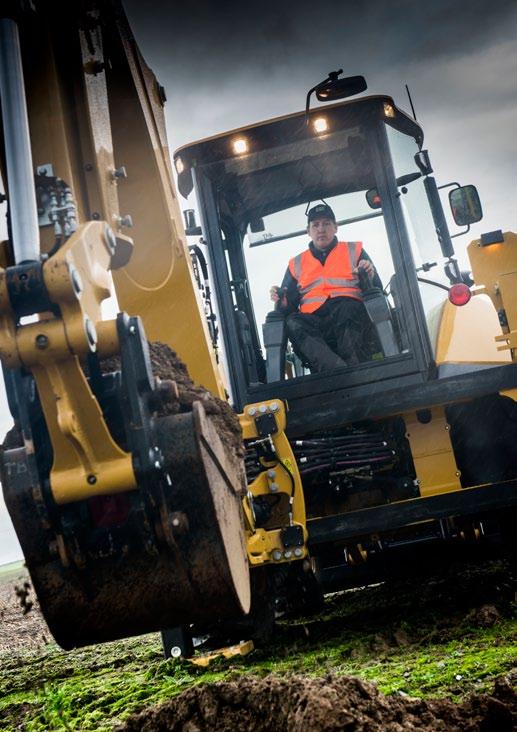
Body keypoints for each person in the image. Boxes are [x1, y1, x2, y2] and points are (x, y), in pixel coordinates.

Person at [270, 203, 381, 372]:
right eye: (315, 225)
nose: (321, 229)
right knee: (293, 322)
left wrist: (368, 275)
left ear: (336, 227)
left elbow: (377, 290)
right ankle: (339, 371)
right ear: (308, 231)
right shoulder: (296, 264)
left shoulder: (355, 251)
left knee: (347, 307)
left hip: (349, 316)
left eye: (326, 223)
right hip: (317, 323)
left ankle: (354, 370)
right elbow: (289, 307)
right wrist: (282, 301)